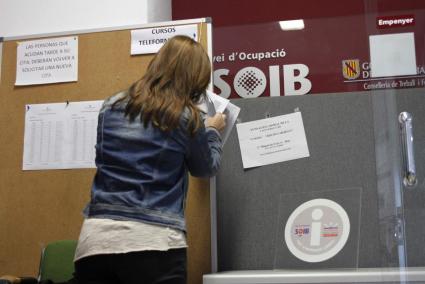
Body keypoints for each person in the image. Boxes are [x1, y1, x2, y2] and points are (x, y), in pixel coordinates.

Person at [73, 35, 226, 284]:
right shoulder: (186, 117)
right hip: (154, 242)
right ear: (194, 78)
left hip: (95, 242)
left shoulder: (110, 106)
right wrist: (211, 131)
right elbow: (205, 168)